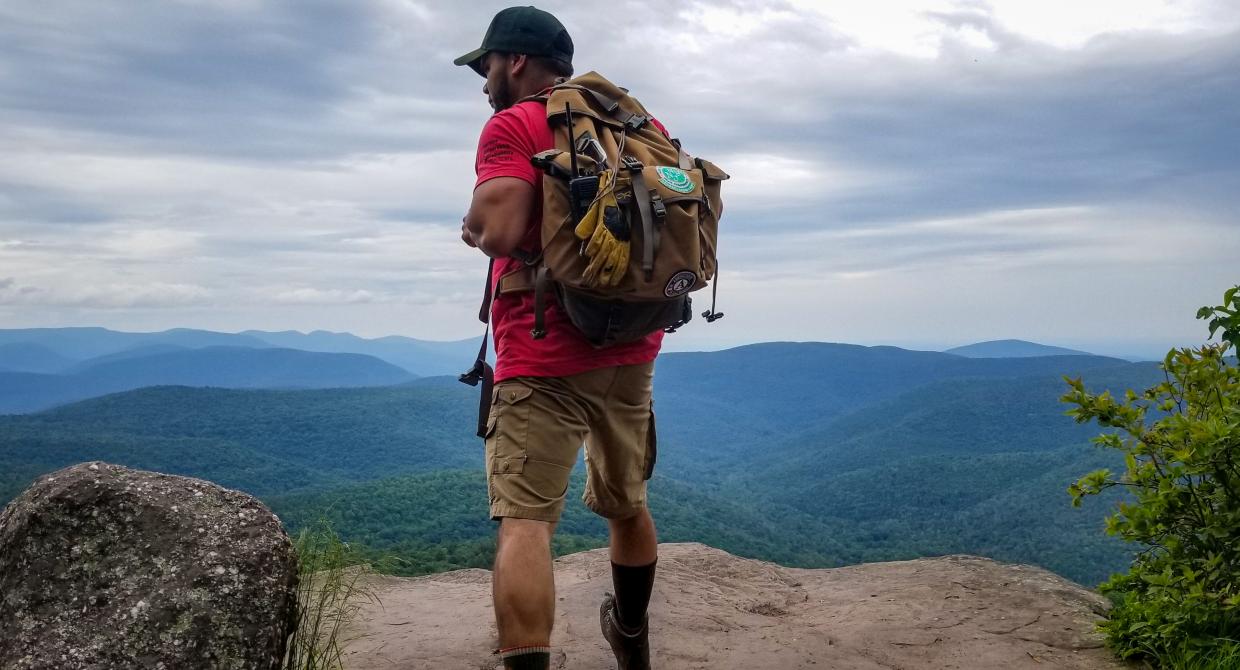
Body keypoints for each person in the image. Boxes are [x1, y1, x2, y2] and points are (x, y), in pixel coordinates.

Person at [455, 7, 661, 670]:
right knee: (626, 502)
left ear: (515, 61)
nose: (484, 79)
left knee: (525, 521)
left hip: (543, 352)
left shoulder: (512, 124)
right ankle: (630, 636)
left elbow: (502, 231)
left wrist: (474, 226)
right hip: (632, 344)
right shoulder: (639, 126)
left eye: (487, 64)